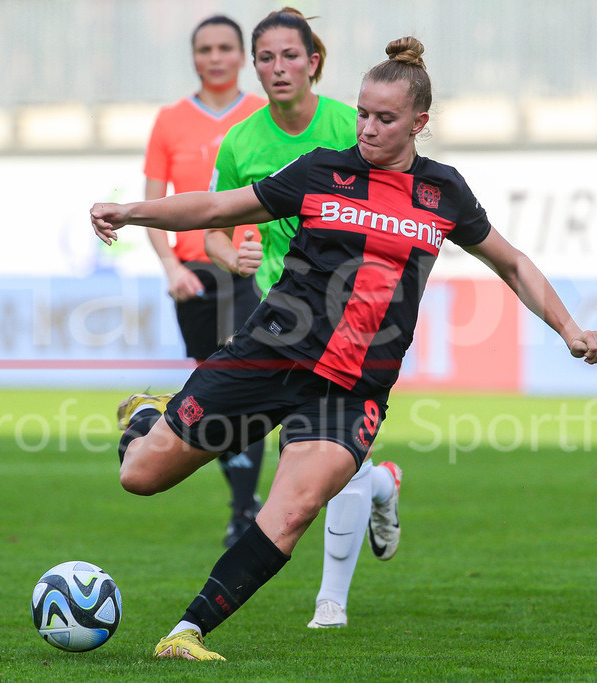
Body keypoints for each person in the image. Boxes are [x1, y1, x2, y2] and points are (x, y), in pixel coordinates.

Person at [91, 36, 597, 662]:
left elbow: (513, 263)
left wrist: (570, 330)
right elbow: (218, 206)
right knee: (139, 476)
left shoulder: (443, 193)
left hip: (351, 388)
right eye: (363, 113)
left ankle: (187, 632)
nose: (367, 127)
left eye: (385, 118)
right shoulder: (320, 171)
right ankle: (151, 419)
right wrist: (133, 211)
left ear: (419, 123)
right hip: (270, 352)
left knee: (292, 510)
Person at [202, 6, 400, 630]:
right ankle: (382, 485)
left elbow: (404, 207)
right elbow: (216, 226)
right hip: (280, 322)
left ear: (314, 62)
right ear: (253, 66)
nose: (278, 67)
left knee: (325, 460)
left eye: (291, 55)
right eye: (266, 57)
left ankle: (330, 605)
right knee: (319, 461)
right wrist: (232, 254)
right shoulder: (241, 142)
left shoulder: (354, 124)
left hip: (356, 320)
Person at [137, 15, 267, 548]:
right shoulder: (170, 121)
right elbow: (153, 202)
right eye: (205, 48)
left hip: (248, 272)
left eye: (225, 48)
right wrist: (171, 268)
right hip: (193, 276)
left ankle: (241, 510)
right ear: (194, 57)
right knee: (213, 391)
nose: (215, 57)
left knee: (244, 383)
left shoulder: (262, 115)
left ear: (242, 57)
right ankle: (242, 503)